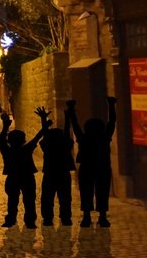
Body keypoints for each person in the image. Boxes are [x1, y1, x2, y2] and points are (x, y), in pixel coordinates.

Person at [67, 97, 117, 228]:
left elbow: (75, 125)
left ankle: (87, 217)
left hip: (87, 168)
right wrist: (111, 105)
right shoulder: (104, 137)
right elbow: (112, 122)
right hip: (103, 167)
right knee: (102, 191)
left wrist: (71, 110)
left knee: (86, 192)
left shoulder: (84, 138)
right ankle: (102, 217)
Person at [0, 108, 50, 228]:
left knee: (12, 200)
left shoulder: (7, 151)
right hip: (27, 177)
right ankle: (30, 221)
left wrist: (6, 126)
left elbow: (1, 141)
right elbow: (39, 135)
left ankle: (11, 219)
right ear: (23, 140)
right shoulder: (27, 149)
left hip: (12, 177)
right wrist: (43, 119)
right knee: (29, 200)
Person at [40, 107, 76, 226]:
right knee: (65, 198)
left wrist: (43, 119)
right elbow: (66, 135)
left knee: (47, 198)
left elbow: (45, 135)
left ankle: (48, 218)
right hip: (63, 173)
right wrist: (67, 119)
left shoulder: (48, 147)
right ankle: (66, 217)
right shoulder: (65, 146)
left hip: (49, 174)